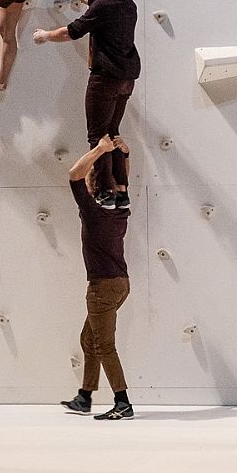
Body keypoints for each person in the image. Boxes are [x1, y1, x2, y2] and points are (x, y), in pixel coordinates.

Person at [32, 0, 140, 209]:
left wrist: (45, 35)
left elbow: (71, 32)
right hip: (126, 79)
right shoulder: (128, 5)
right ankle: (121, 191)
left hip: (105, 79)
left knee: (98, 136)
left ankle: (104, 192)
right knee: (112, 133)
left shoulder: (104, 8)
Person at [60, 134, 136, 421]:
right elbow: (122, 183)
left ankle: (122, 402)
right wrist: (124, 156)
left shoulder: (93, 212)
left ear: (94, 188)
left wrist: (100, 150)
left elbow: (74, 175)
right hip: (120, 284)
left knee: (104, 345)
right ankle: (85, 396)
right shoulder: (121, 211)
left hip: (102, 287)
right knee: (88, 338)